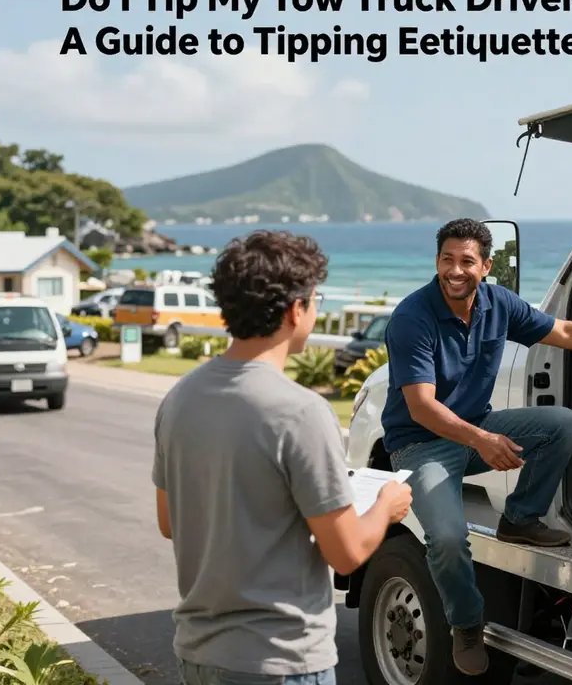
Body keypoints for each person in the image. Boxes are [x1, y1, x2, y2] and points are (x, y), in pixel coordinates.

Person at [381, 218, 572, 676]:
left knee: (561, 423)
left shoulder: (498, 303)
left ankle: (519, 520)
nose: (455, 271)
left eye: (466, 261)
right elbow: (421, 407)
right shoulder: (412, 317)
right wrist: (483, 440)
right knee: (448, 539)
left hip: (475, 429)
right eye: (446, 260)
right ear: (436, 261)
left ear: (486, 266)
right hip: (421, 445)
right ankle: (467, 624)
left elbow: (565, 332)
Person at [152, 229, 412, 685]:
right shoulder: (302, 412)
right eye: (315, 300)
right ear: (296, 310)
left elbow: (169, 522)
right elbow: (347, 553)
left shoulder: (179, 398)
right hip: (280, 660)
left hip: (198, 655)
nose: (316, 309)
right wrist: (386, 508)